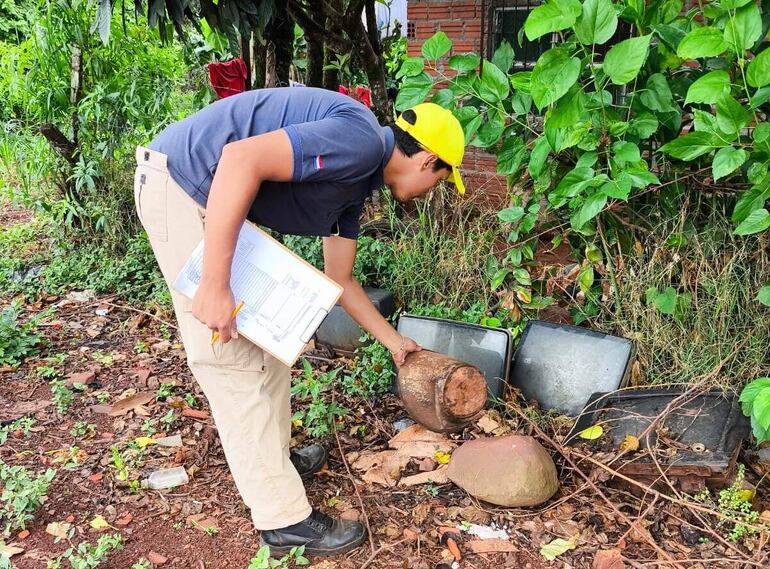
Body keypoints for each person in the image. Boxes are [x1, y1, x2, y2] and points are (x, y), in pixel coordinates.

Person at [133, 87, 466, 557]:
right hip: (184, 188)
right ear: (428, 160)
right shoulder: (361, 142)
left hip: (214, 198)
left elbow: (341, 280)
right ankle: (283, 520)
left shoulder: (358, 182)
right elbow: (239, 159)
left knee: (270, 343)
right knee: (230, 359)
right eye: (442, 181)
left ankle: (272, 461)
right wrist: (214, 281)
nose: (434, 193)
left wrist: (394, 342)